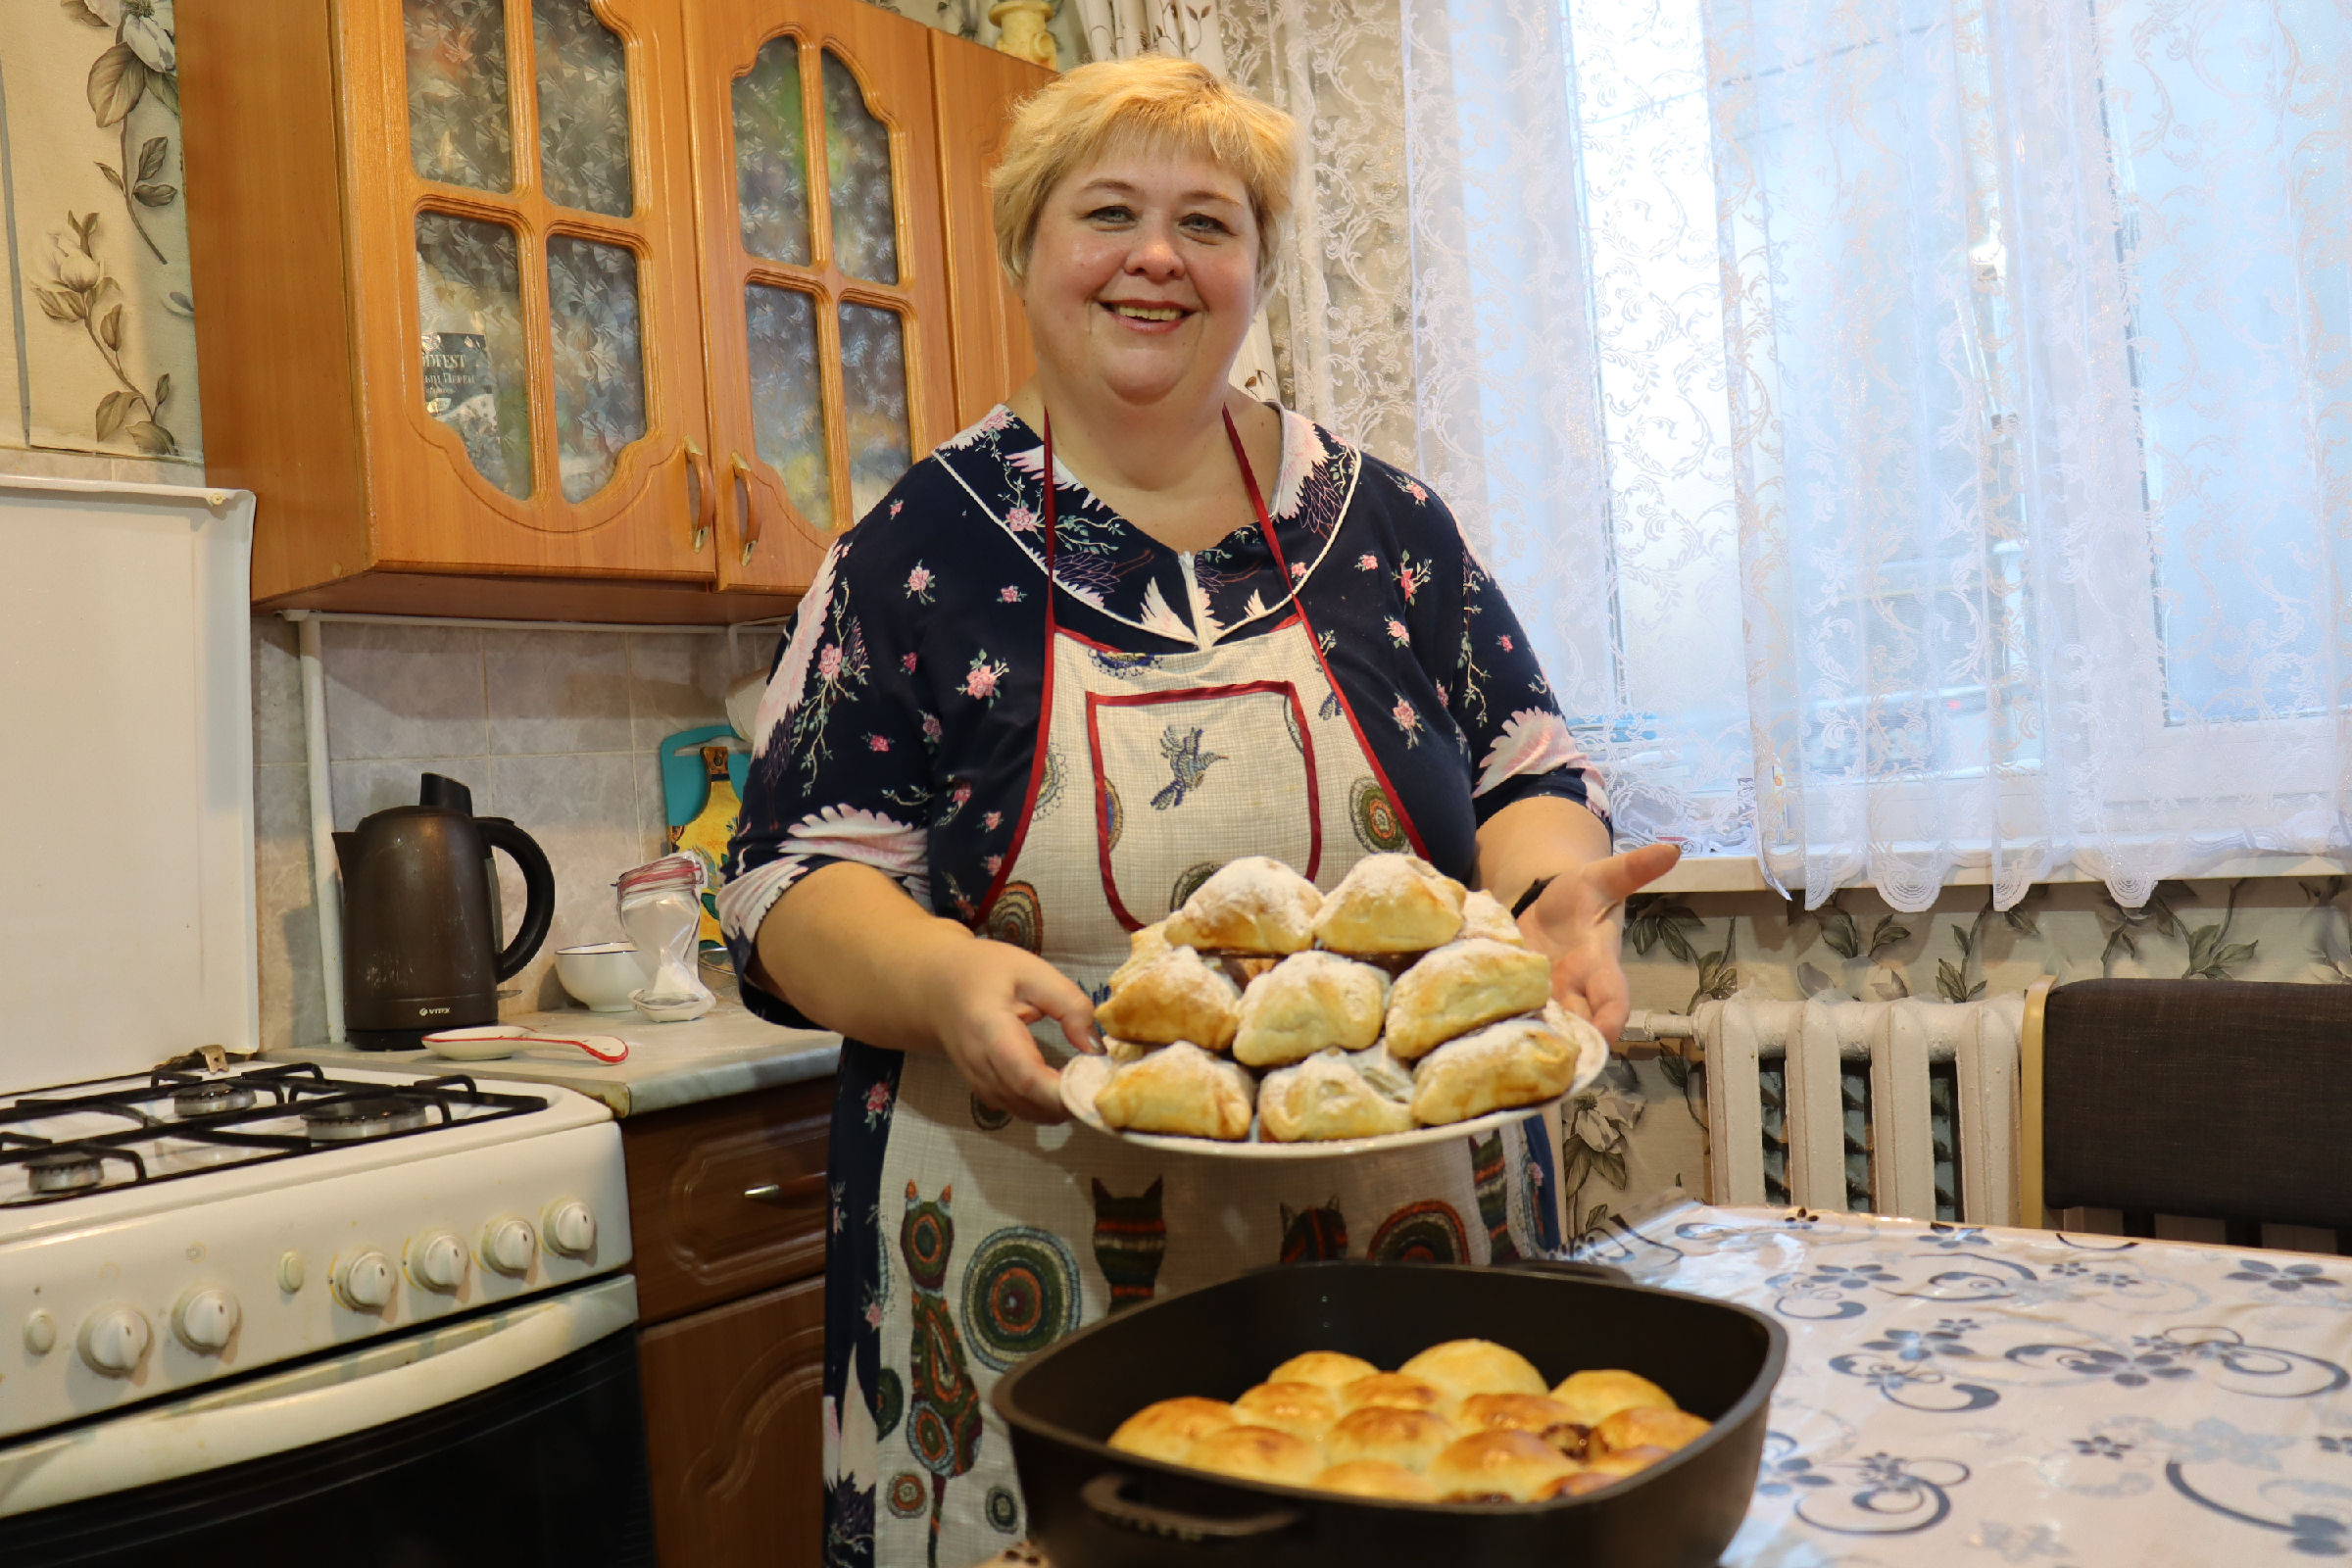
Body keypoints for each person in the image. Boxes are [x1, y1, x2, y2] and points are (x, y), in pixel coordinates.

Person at [721, 56, 1678, 1568]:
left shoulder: (1387, 528)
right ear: (1028, 250)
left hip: (1403, 1260)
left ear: (1257, 273)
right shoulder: (915, 550)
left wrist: (1552, 893)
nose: (1157, 256)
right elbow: (792, 888)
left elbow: (1522, 779)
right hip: (1022, 1259)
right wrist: (944, 977)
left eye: (1208, 222)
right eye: (1108, 212)